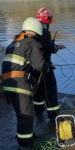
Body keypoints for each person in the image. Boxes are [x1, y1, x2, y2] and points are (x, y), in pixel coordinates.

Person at [1, 17, 49, 150]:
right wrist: (47, 67)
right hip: (19, 84)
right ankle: (25, 145)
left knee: (20, 113)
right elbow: (39, 65)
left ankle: (26, 137)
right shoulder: (32, 43)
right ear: (36, 31)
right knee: (26, 115)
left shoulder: (13, 42)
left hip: (7, 83)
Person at [33, 8, 65, 122]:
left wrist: (53, 46)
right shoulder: (44, 31)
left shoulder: (30, 30)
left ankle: (38, 110)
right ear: (48, 19)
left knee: (38, 88)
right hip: (43, 65)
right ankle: (53, 115)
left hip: (32, 66)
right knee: (50, 89)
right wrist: (56, 47)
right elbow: (48, 47)